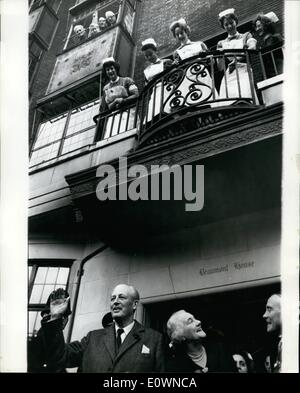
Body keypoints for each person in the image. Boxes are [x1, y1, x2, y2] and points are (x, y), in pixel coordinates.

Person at [40, 284, 165, 372]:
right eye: (112, 298)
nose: (115, 302)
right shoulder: (92, 338)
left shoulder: (153, 339)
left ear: (134, 304)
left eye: (121, 297)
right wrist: (55, 317)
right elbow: (60, 358)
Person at [166, 310, 237, 373]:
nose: (198, 322)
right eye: (190, 321)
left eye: (195, 318)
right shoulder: (176, 365)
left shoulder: (220, 349)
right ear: (181, 334)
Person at [169, 18, 216, 109]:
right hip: (188, 78)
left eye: (181, 33)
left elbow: (212, 62)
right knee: (193, 101)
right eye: (177, 34)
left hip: (201, 74)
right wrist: (176, 66)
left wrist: (205, 56)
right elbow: (178, 73)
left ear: (186, 31)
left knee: (207, 97)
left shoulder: (199, 44)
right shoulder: (177, 53)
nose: (179, 36)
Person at [217, 8, 257, 105]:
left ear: (236, 22)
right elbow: (220, 67)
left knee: (245, 97)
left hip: (244, 70)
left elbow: (252, 47)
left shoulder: (246, 35)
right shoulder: (221, 43)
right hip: (230, 74)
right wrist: (219, 56)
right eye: (226, 24)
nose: (230, 26)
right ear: (223, 26)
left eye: (231, 22)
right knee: (230, 102)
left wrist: (237, 59)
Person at [27, 288, 72, 373]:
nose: (64, 321)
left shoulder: (58, 345)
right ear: (45, 316)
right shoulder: (37, 346)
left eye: (63, 317)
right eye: (61, 317)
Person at [141, 38, 173, 120]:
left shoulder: (166, 62)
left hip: (167, 89)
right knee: (155, 116)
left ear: (156, 51)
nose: (149, 57)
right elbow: (147, 87)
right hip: (155, 95)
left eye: (150, 54)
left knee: (169, 111)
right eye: (146, 56)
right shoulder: (146, 71)